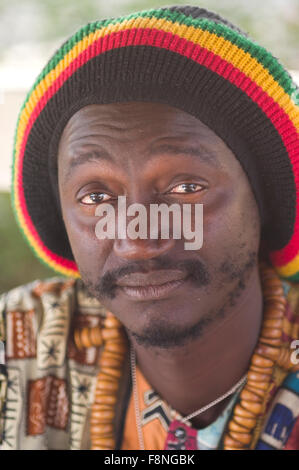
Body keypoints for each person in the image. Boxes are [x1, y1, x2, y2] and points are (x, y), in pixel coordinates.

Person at [0, 4, 299, 451]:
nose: (138, 239)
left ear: (263, 199)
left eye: (185, 186)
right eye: (96, 197)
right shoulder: (18, 341)